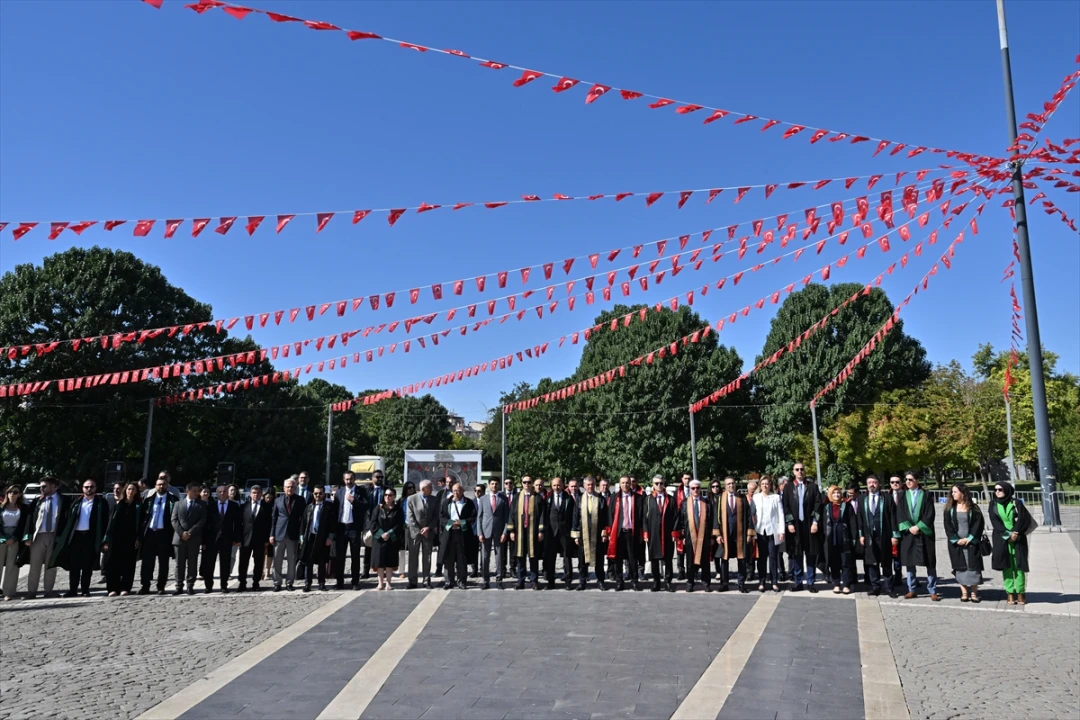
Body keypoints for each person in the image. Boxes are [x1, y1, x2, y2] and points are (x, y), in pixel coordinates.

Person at [54, 479, 108, 598]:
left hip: (90, 536)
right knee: (74, 566)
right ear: (83, 488)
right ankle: (73, 590)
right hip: (76, 536)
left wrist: (104, 539)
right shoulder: (76, 501)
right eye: (86, 487)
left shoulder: (101, 502)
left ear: (95, 488)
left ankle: (85, 589)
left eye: (91, 487)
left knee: (87, 565)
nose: (89, 489)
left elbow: (105, 521)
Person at [22, 476, 71, 599]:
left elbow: (67, 518)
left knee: (51, 565)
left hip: (54, 536)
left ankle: (49, 590)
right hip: (39, 536)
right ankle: (31, 591)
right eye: (40, 487)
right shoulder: (37, 500)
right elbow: (30, 518)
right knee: (35, 565)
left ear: (53, 486)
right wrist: (28, 535)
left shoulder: (63, 500)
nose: (41, 489)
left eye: (44, 486)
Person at [896, 471, 939, 601]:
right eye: (906, 479)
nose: (907, 482)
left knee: (930, 561)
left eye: (910, 479)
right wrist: (909, 527)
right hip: (909, 533)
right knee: (910, 562)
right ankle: (911, 589)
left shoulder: (926, 495)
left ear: (917, 480)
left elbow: (930, 513)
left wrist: (919, 526)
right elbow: (900, 513)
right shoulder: (902, 495)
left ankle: (932, 590)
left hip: (924, 532)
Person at [989, 481, 1033, 606]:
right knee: (1006, 565)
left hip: (1018, 538)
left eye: (1000, 489)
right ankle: (1010, 592)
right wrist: (1007, 535)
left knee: (1019, 566)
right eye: (995, 489)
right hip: (1001, 538)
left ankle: (1021, 593)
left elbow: (1023, 518)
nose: (997, 492)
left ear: (1007, 490)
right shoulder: (993, 504)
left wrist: (1015, 532)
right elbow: (995, 521)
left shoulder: (1016, 503)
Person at [782, 462, 822, 593]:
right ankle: (798, 582)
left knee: (811, 554)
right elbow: (785, 506)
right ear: (793, 471)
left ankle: (811, 582)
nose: (800, 471)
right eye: (797, 469)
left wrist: (815, 522)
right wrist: (789, 523)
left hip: (809, 524)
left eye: (802, 469)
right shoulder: (788, 487)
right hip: (795, 525)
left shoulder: (812, 487)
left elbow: (818, 505)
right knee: (797, 554)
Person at [857, 475, 898, 598]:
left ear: (879, 484)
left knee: (886, 562)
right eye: (869, 482)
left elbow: (893, 517)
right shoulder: (862, 499)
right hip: (869, 535)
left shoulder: (887, 498)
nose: (872, 485)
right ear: (866, 484)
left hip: (884, 535)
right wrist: (861, 535)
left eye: (874, 482)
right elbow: (859, 518)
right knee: (871, 562)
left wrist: (894, 535)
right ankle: (875, 587)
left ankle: (889, 587)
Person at [943, 483, 984, 603]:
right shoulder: (949, 509)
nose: (953, 494)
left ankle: (974, 593)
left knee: (973, 567)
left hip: (971, 542)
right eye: (952, 492)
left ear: (963, 493)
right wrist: (956, 539)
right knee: (960, 567)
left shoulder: (974, 508)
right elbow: (948, 526)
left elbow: (978, 524)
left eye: (955, 492)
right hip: (956, 543)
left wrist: (970, 538)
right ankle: (964, 593)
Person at [139, 475, 177, 595]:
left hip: (164, 534)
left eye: (163, 484)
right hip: (150, 533)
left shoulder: (173, 500)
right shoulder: (148, 499)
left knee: (163, 562)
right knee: (147, 562)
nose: (161, 486)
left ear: (167, 486)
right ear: (155, 486)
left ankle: (161, 586)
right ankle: (145, 586)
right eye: (159, 484)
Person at [102, 482, 142, 597]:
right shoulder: (118, 504)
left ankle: (125, 587)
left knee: (128, 565)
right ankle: (112, 588)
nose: (131, 491)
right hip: (115, 538)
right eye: (129, 489)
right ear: (125, 490)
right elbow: (111, 523)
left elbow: (140, 524)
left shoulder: (138, 506)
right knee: (112, 564)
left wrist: (138, 538)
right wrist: (106, 539)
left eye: (133, 489)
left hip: (130, 539)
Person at [716, 477, 754, 593]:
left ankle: (741, 584)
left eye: (732, 483)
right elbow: (715, 518)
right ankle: (724, 583)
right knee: (724, 559)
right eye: (728, 484)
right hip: (725, 534)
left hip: (740, 534)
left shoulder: (741, 498)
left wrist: (749, 533)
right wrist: (717, 534)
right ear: (725, 486)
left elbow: (749, 516)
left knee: (741, 559)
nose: (731, 485)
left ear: (735, 485)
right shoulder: (720, 499)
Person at [606, 476, 643, 591]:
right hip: (618, 532)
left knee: (633, 558)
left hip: (632, 532)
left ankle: (634, 581)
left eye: (627, 483)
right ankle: (619, 581)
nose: (625, 485)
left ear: (630, 484)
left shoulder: (638, 498)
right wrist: (608, 532)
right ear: (619, 484)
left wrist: (642, 533)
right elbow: (609, 516)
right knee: (618, 559)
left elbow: (641, 516)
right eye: (623, 483)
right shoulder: (614, 498)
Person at [675, 479, 713, 592]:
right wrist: (682, 537)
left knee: (705, 561)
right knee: (690, 561)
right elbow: (681, 521)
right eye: (693, 488)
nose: (695, 490)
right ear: (690, 489)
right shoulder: (684, 503)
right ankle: (690, 582)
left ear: (700, 489)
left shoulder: (706, 503)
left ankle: (706, 582)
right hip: (689, 536)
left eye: (697, 488)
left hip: (704, 536)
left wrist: (712, 537)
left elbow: (711, 520)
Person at [817, 485, 856, 594]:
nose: (836, 495)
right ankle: (836, 584)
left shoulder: (847, 506)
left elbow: (852, 523)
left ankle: (846, 585)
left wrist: (853, 538)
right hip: (831, 540)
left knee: (845, 562)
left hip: (844, 539)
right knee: (834, 563)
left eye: (838, 492)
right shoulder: (826, 507)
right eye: (834, 493)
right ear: (830, 495)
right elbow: (823, 523)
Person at [203, 485, 242, 593]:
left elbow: (237, 524)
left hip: (227, 538)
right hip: (212, 539)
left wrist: (237, 539)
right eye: (220, 492)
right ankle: (208, 586)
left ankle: (224, 585)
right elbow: (206, 525)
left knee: (225, 563)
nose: (222, 493)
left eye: (224, 491)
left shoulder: (234, 506)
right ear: (217, 494)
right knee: (209, 563)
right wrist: (204, 541)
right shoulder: (211, 507)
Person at [508, 476, 545, 590]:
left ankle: (534, 581)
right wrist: (512, 531)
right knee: (520, 557)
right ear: (521, 483)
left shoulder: (538, 498)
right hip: (520, 531)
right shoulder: (517, 497)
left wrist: (540, 531)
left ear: (532, 484)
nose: (527, 484)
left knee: (533, 557)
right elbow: (511, 514)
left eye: (529, 482)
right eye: (524, 482)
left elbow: (542, 515)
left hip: (532, 531)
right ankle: (521, 581)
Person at [572, 476, 608, 591]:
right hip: (584, 535)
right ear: (584, 486)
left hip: (597, 535)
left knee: (599, 561)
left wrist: (604, 533)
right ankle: (582, 582)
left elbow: (605, 518)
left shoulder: (601, 499)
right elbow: (575, 518)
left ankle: (601, 581)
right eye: (588, 484)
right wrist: (576, 535)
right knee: (582, 561)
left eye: (592, 484)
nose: (590, 486)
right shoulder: (579, 499)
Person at [270, 477, 305, 592]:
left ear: (295, 488)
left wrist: (301, 535)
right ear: (284, 488)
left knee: (292, 559)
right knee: (277, 559)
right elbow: (274, 518)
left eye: (292, 487)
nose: (290, 489)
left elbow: (303, 519)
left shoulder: (300, 500)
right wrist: (272, 534)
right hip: (279, 533)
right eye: (288, 487)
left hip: (293, 534)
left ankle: (290, 582)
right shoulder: (277, 500)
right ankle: (277, 582)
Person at [439, 481, 476, 589]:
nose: (456, 492)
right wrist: (451, 523)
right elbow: (442, 518)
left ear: (463, 491)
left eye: (458, 490)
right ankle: (448, 581)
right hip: (449, 534)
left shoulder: (469, 503)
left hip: (463, 535)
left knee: (462, 559)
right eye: (454, 490)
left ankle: (462, 581)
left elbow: (473, 517)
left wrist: (462, 522)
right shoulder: (446, 502)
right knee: (448, 559)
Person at [172, 483, 207, 595]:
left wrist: (190, 532)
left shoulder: (201, 504)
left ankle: (190, 585)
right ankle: (178, 585)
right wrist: (182, 533)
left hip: (194, 538)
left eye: (198, 491)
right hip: (179, 538)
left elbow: (202, 521)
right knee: (179, 564)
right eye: (195, 491)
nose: (197, 493)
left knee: (192, 563)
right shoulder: (178, 504)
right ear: (188, 491)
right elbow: (174, 520)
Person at [333, 471, 366, 590]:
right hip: (341, 527)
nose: (349, 481)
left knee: (355, 556)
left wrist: (354, 500)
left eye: (351, 479)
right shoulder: (340, 492)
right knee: (340, 557)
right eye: (346, 479)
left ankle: (355, 582)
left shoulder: (360, 491)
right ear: (343, 479)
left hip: (354, 528)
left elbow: (365, 505)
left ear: (354, 479)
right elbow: (335, 510)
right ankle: (340, 582)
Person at [644, 475, 677, 592]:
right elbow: (644, 518)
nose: (659, 486)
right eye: (656, 483)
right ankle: (656, 582)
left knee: (668, 559)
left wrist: (674, 533)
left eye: (661, 483)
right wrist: (645, 533)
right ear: (653, 484)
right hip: (653, 534)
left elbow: (675, 517)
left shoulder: (671, 499)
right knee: (654, 559)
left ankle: (668, 582)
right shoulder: (648, 499)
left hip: (667, 534)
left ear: (664, 484)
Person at [299, 486, 336, 592]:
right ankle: (308, 583)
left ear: (324, 494)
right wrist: (302, 537)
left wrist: (330, 537)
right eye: (316, 494)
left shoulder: (329, 507)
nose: (318, 496)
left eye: (320, 493)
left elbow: (332, 524)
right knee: (308, 561)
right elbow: (303, 523)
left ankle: (321, 583)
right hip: (310, 536)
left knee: (321, 561)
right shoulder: (309, 507)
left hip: (323, 537)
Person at [752, 477, 784, 592]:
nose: (765, 486)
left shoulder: (776, 497)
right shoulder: (755, 497)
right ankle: (762, 581)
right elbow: (752, 514)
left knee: (773, 557)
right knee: (761, 558)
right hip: (760, 531)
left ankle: (774, 581)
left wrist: (781, 530)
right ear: (760, 485)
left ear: (770, 485)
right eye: (763, 484)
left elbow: (780, 514)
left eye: (767, 484)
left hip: (772, 531)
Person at [543, 477, 576, 590]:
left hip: (564, 533)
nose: (556, 487)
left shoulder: (569, 499)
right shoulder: (547, 498)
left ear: (563, 486)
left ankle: (568, 581)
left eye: (558, 485)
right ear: (551, 486)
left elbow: (573, 516)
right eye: (554, 485)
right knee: (550, 558)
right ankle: (550, 581)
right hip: (551, 533)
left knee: (567, 557)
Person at [477, 477, 509, 589]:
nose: (494, 486)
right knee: (485, 557)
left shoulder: (504, 499)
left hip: (499, 532)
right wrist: (479, 533)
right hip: (485, 532)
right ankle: (485, 580)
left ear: (499, 485)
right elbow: (479, 517)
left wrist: (505, 532)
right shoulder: (483, 499)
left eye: (496, 484)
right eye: (492, 484)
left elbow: (507, 518)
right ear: (489, 485)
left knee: (499, 557)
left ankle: (499, 579)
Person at [406, 479, 438, 589]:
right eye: (430, 487)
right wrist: (419, 530)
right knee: (413, 557)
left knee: (427, 556)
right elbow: (410, 518)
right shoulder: (411, 499)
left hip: (428, 532)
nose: (432, 489)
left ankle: (426, 580)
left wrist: (428, 528)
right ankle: (412, 581)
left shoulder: (434, 500)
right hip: (415, 533)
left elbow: (436, 516)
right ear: (423, 489)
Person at [238, 485, 271, 591]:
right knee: (243, 562)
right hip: (245, 539)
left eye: (258, 493)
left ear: (261, 494)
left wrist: (267, 539)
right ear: (250, 494)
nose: (256, 495)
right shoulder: (244, 507)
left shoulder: (267, 507)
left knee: (259, 562)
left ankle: (256, 583)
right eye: (254, 493)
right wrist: (238, 538)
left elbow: (269, 524)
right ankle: (242, 582)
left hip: (260, 540)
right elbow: (239, 524)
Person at [0, 485, 29, 601]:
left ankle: (8, 592)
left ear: (19, 494)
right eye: (10, 492)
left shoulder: (22, 508)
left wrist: (15, 537)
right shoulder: (1, 507)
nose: (12, 494)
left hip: (15, 537)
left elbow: (23, 524)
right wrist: (4, 536)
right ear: (7, 494)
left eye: (15, 492)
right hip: (2, 536)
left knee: (12, 565)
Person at [372, 487, 404, 591]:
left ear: (394, 497)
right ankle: (380, 583)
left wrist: (389, 533)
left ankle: (389, 583)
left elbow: (399, 524)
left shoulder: (398, 509)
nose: (387, 497)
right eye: (386, 495)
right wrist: (381, 534)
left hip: (392, 538)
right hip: (379, 538)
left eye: (390, 495)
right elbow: (373, 522)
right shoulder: (378, 508)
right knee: (380, 562)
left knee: (389, 562)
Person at [364, 470, 388, 579]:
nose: (379, 479)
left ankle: (381, 569)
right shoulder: (367, 489)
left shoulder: (385, 489)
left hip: (381, 521)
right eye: (377, 477)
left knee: (381, 547)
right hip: (369, 520)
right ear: (372, 478)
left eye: (381, 477)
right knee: (368, 545)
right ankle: (366, 570)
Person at [886, 475, 905, 588]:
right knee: (894, 555)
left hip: (905, 530)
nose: (894, 484)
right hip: (891, 531)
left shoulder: (906, 495)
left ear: (901, 483)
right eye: (892, 482)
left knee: (906, 555)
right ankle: (897, 577)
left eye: (897, 482)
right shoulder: (887, 496)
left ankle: (911, 577)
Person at [674, 472, 693, 580]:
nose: (687, 480)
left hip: (693, 524)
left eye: (689, 478)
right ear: (682, 479)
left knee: (692, 550)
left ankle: (693, 571)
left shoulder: (694, 490)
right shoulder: (677, 493)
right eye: (685, 478)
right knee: (680, 550)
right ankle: (681, 571)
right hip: (681, 524)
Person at [399, 482, 416, 582]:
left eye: (412, 488)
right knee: (402, 550)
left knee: (413, 550)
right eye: (409, 488)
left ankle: (413, 570)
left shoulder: (417, 499)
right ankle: (401, 571)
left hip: (413, 527)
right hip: (403, 527)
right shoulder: (401, 501)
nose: (411, 489)